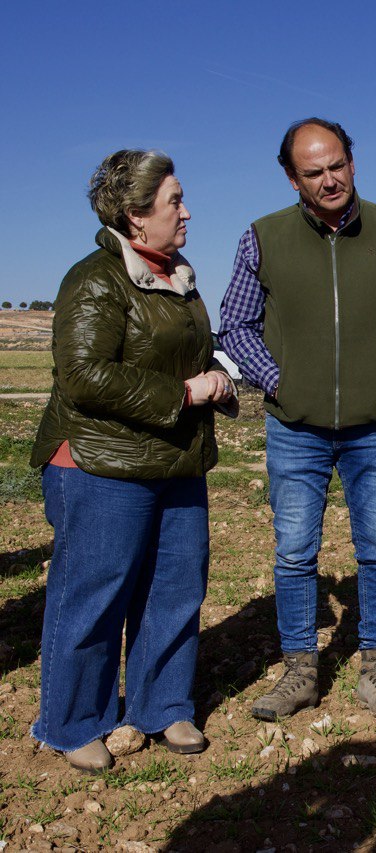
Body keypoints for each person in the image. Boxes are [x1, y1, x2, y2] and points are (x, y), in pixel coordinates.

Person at [220, 118, 376, 722]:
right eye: (313, 172)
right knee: (293, 553)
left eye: (337, 164)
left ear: (352, 162)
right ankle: (299, 673)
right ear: (293, 179)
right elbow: (234, 324)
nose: (329, 179)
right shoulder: (262, 238)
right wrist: (276, 379)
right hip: (296, 428)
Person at [30, 149, 234, 773]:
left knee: (176, 586)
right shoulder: (95, 278)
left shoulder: (178, 275)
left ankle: (163, 704)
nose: (187, 211)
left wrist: (216, 375)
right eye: (175, 201)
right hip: (100, 463)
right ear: (135, 216)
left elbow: (185, 352)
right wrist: (185, 393)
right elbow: (85, 376)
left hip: (173, 460)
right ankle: (71, 721)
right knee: (94, 592)